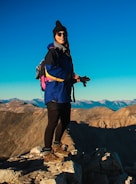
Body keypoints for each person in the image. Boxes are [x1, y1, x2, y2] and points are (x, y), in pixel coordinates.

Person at [42, 20, 81, 162]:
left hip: (64, 94)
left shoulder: (66, 54)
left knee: (65, 120)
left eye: (64, 34)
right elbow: (51, 70)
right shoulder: (53, 53)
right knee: (52, 122)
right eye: (59, 34)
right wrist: (70, 76)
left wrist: (77, 79)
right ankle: (47, 153)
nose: (62, 36)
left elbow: (65, 75)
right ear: (55, 36)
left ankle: (57, 145)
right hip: (53, 94)